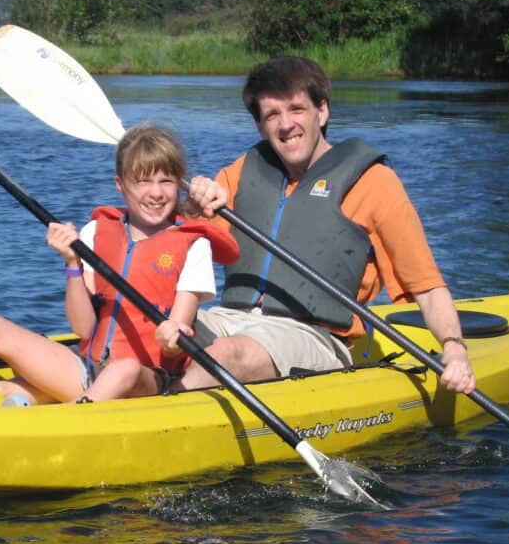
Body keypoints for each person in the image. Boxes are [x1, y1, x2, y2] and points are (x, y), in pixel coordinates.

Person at [178, 55, 476, 395]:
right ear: (260, 126)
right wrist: (194, 204)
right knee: (156, 333)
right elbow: (178, 253)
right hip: (229, 319)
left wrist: (454, 349)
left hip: (315, 337)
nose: (285, 124)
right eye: (272, 114)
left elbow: (427, 286)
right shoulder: (242, 171)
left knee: (228, 355)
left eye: (297, 109)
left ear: (323, 111)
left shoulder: (374, 182)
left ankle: (155, 415)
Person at [0, 122, 239, 405]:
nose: (156, 193)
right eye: (142, 182)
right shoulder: (97, 231)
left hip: (146, 380)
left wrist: (170, 337)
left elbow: (175, 345)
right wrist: (72, 263)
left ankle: (58, 414)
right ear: (120, 185)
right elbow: (82, 328)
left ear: (178, 183)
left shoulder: (193, 244)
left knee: (122, 369)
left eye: (166, 181)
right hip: (87, 368)